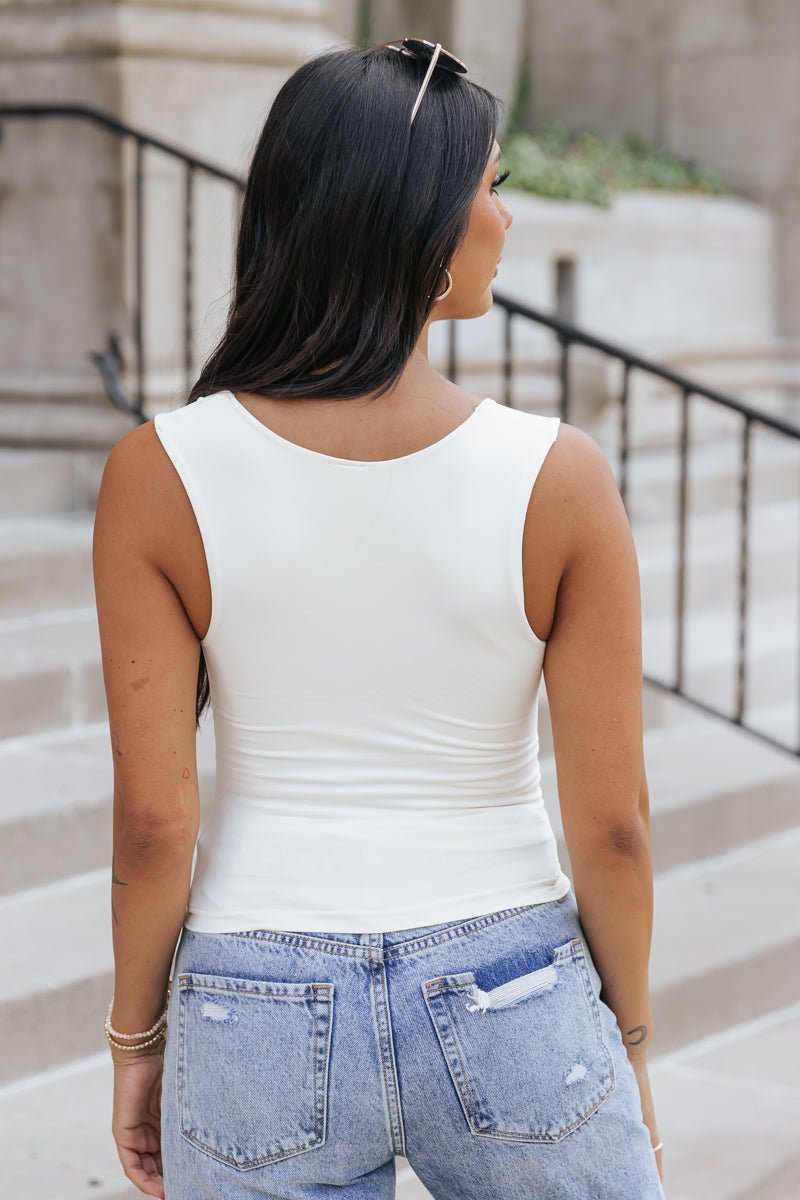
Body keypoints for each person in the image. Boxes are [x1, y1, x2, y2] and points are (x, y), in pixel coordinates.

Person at [92, 37, 665, 1200]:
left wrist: (136, 1043)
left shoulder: (160, 472)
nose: (504, 219)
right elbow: (612, 826)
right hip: (512, 983)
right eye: (490, 188)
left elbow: (155, 820)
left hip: (252, 1000)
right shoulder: (557, 477)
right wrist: (630, 1041)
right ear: (416, 222)